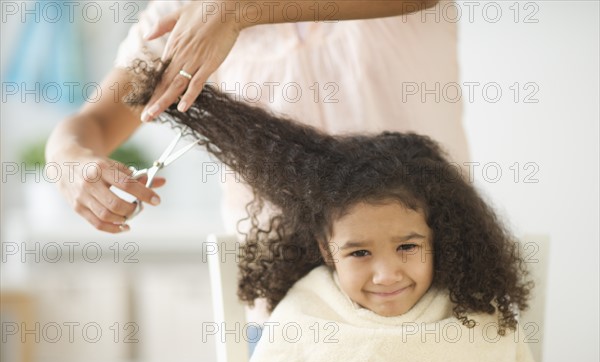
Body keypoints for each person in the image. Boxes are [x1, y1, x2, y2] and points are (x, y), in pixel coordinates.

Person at [123, 63, 546, 362]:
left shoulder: (477, 319)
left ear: (439, 238)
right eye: (359, 253)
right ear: (327, 251)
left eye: (407, 246)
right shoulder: (304, 316)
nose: (386, 274)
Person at [46, 0, 469, 234]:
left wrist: (234, 11)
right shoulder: (180, 15)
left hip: (429, 280)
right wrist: (66, 158)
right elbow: (94, 124)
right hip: (284, 311)